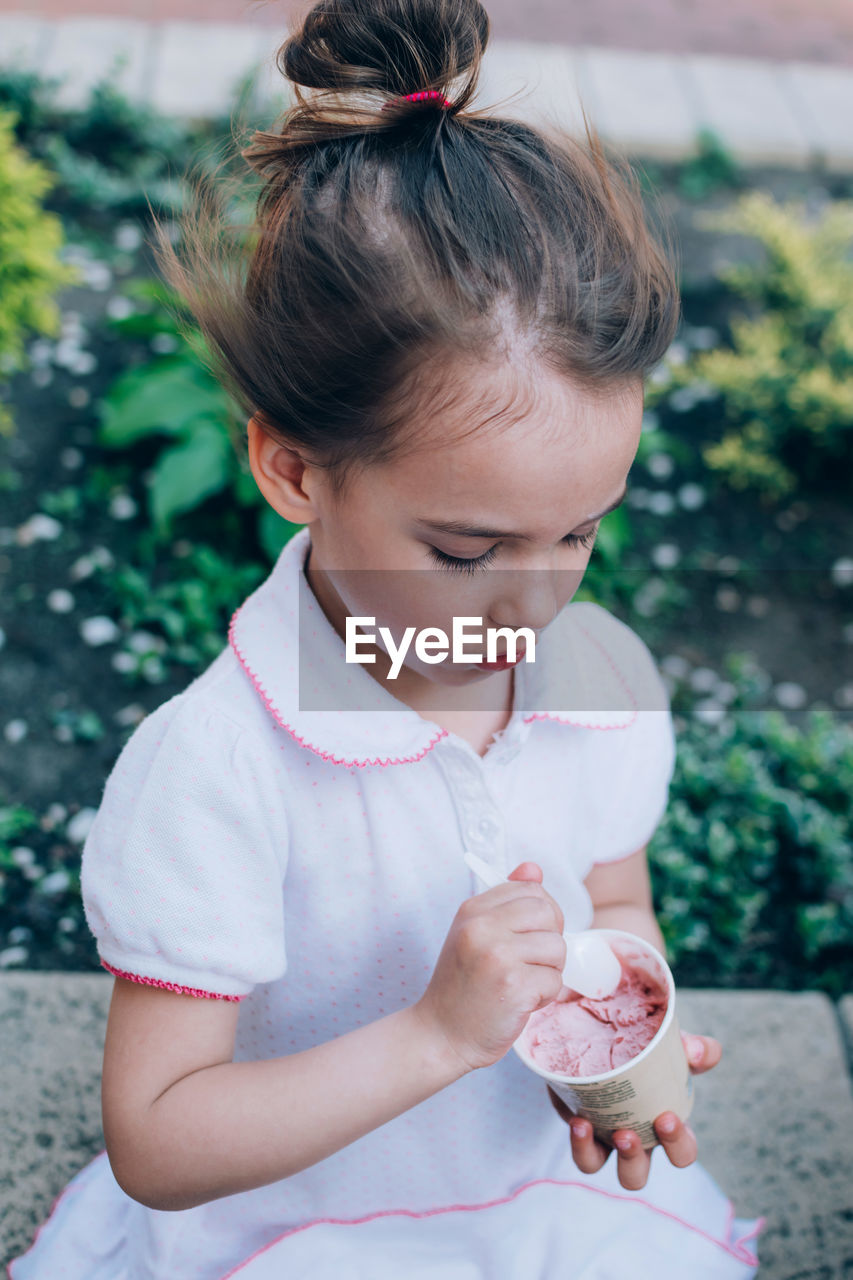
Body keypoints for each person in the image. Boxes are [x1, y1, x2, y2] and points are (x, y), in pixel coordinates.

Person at [7, 1, 767, 1275]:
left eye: (580, 532)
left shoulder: (604, 686)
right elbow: (156, 1133)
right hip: (295, 1228)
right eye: (465, 553)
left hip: (535, 1205)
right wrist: (435, 1035)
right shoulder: (219, 770)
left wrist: (621, 1038)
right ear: (293, 468)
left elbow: (615, 892)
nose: (535, 603)